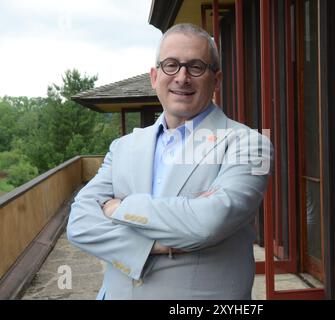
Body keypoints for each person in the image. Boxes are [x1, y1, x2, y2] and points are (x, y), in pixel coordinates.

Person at [67, 23, 273, 300]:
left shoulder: (251, 144)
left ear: (217, 80)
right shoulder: (123, 147)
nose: (182, 77)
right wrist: (155, 244)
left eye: (196, 67)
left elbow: (209, 222)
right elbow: (79, 223)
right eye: (171, 65)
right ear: (155, 77)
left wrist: (120, 208)